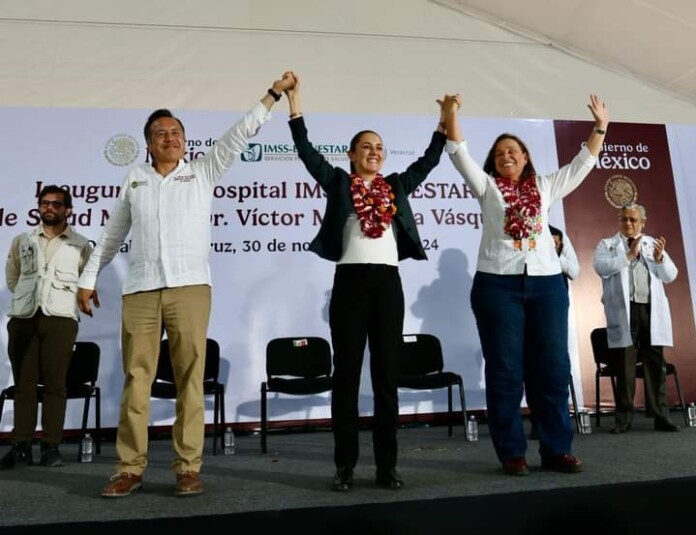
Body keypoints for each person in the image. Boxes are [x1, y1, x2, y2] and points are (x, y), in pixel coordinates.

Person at [77, 72, 296, 498]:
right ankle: (129, 468)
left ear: (184, 140)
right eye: (160, 133)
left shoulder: (202, 171)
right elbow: (110, 236)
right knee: (136, 379)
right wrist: (87, 280)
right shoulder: (135, 180)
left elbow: (239, 134)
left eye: (176, 132)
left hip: (190, 289)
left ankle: (187, 467)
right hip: (140, 290)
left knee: (189, 379)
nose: (169, 137)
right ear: (149, 143)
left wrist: (272, 95)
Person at [283, 72, 452, 491]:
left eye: (379, 148)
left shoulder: (396, 186)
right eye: (366, 147)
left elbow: (428, 163)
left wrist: (444, 122)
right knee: (346, 377)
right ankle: (345, 467)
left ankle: (387, 467)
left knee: (386, 378)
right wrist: (296, 102)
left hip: (388, 286)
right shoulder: (340, 182)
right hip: (350, 284)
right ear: (352, 154)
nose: (374, 153)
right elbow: (306, 152)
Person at [444, 94, 609, 475]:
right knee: (505, 371)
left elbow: (583, 163)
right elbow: (457, 152)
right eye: (500, 152)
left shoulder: (546, 186)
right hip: (498, 288)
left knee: (552, 368)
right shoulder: (487, 187)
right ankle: (512, 453)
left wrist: (600, 127)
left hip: (548, 287)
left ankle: (555, 450)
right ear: (494, 162)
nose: (506, 156)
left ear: (526, 157)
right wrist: (451, 114)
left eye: (513, 151)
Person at [1, 185, 92, 469]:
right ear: (39, 207)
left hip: (61, 318)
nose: (49, 208)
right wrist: (29, 300)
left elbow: (87, 282)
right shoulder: (22, 240)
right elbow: (13, 276)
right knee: (24, 386)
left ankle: (51, 446)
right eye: (45, 203)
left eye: (56, 204)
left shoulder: (81, 245)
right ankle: (21, 447)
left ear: (67, 209)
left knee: (55, 385)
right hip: (24, 317)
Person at [593, 203, 679, 434]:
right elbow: (600, 267)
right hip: (625, 311)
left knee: (655, 365)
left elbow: (671, 275)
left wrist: (660, 260)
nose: (628, 224)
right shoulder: (607, 244)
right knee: (625, 368)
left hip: (650, 310)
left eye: (633, 220)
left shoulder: (653, 245)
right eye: (624, 220)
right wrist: (628, 257)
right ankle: (624, 419)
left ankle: (660, 416)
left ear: (643, 222)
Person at [529, 224, 580, 440]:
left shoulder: (557, 233)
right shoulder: (524, 230)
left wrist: (552, 252)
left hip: (554, 311)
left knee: (555, 366)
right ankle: (537, 421)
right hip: (528, 308)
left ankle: (557, 423)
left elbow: (574, 270)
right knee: (532, 368)